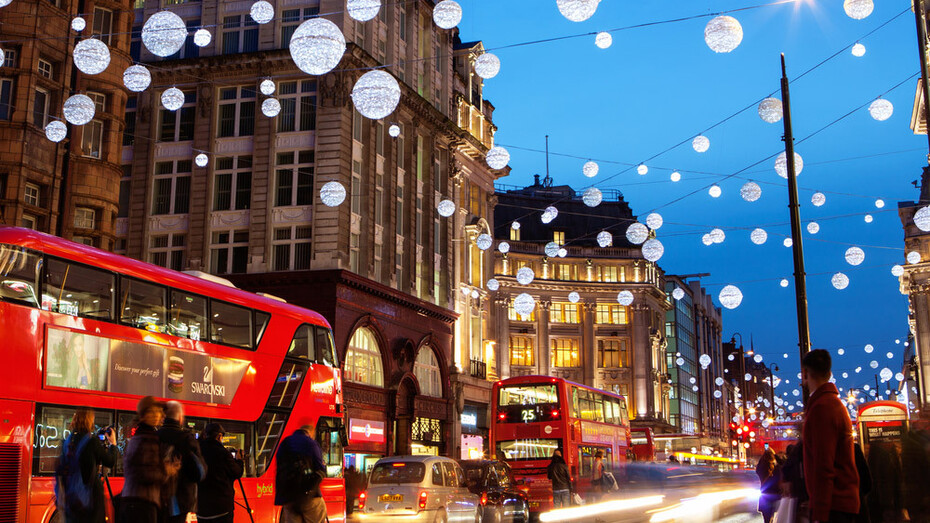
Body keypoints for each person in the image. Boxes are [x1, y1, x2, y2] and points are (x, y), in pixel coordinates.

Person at [801, 349, 859, 523]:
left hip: (834, 506)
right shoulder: (833, 404)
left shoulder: (822, 408)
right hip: (840, 504)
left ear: (804, 373)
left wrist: (819, 514)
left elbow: (823, 466)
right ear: (829, 373)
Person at [118, 396, 180, 523]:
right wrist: (167, 470)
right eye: (154, 411)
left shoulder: (142, 436)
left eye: (159, 411)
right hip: (142, 504)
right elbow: (146, 474)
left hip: (136, 502)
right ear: (145, 415)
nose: (159, 415)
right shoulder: (146, 439)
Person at [56, 408, 118, 523]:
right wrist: (112, 444)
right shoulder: (91, 441)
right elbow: (110, 462)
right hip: (91, 497)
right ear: (90, 421)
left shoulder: (67, 441)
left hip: (72, 496)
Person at [158, 401, 206, 523]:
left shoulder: (154, 436)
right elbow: (199, 473)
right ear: (180, 418)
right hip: (178, 502)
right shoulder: (186, 439)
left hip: (156, 499)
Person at [275, 422, 327, 523]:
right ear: (311, 433)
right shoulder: (311, 443)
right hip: (308, 496)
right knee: (319, 513)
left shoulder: (284, 443)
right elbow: (320, 470)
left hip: (288, 497)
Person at [197, 423, 244, 523]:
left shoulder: (198, 451)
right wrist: (239, 460)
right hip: (221, 508)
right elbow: (237, 472)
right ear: (219, 436)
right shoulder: (223, 453)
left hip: (201, 508)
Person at [756, 448, 781, 523]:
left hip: (764, 495)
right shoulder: (775, 469)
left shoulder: (761, 468)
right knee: (773, 517)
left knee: (767, 519)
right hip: (774, 495)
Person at [853, 443, 871, 523]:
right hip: (857, 499)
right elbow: (867, 480)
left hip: (835, 508)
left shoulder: (822, 450)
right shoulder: (854, 449)